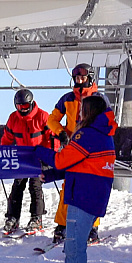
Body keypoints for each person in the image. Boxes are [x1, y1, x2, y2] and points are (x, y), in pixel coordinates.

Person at [34, 95, 117, 263]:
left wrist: (37, 150)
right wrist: (51, 175)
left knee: (74, 249)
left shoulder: (88, 134)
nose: (78, 114)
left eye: (82, 110)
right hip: (90, 195)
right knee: (72, 247)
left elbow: (62, 159)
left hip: (83, 197)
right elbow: (78, 163)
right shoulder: (102, 133)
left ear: (88, 112)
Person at [47, 63, 101, 244]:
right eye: (77, 78)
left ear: (90, 78)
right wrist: (61, 132)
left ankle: (92, 227)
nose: (79, 81)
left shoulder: (98, 99)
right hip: (72, 149)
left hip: (92, 150)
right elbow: (51, 119)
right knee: (68, 188)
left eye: (83, 78)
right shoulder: (67, 99)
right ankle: (62, 225)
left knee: (91, 188)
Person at [0, 89, 51, 233]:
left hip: (38, 157)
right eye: (18, 107)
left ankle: (36, 217)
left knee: (35, 186)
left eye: (24, 107)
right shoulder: (13, 118)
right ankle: (12, 217)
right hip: (22, 157)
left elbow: (51, 137)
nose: (22, 110)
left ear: (31, 103)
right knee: (17, 186)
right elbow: (7, 138)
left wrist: (48, 155)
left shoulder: (42, 116)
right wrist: (4, 153)